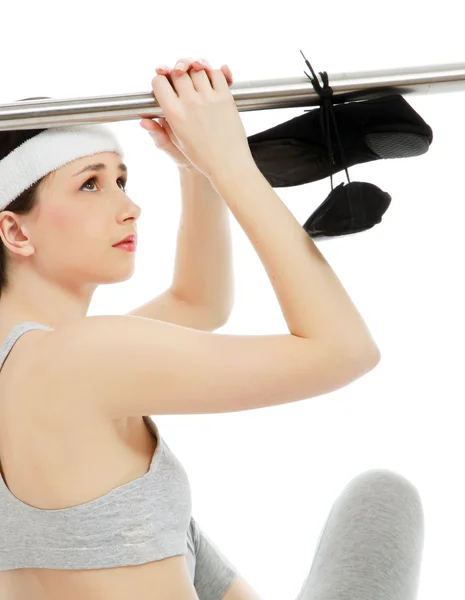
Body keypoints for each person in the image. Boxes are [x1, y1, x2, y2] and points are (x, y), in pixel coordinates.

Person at [0, 58, 424, 600]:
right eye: (90, 185)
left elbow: (198, 302)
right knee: (384, 499)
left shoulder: (43, 365)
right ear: (14, 230)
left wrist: (194, 169)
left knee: (176, 531)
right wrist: (231, 163)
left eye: (121, 179)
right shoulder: (81, 357)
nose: (130, 207)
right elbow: (345, 350)